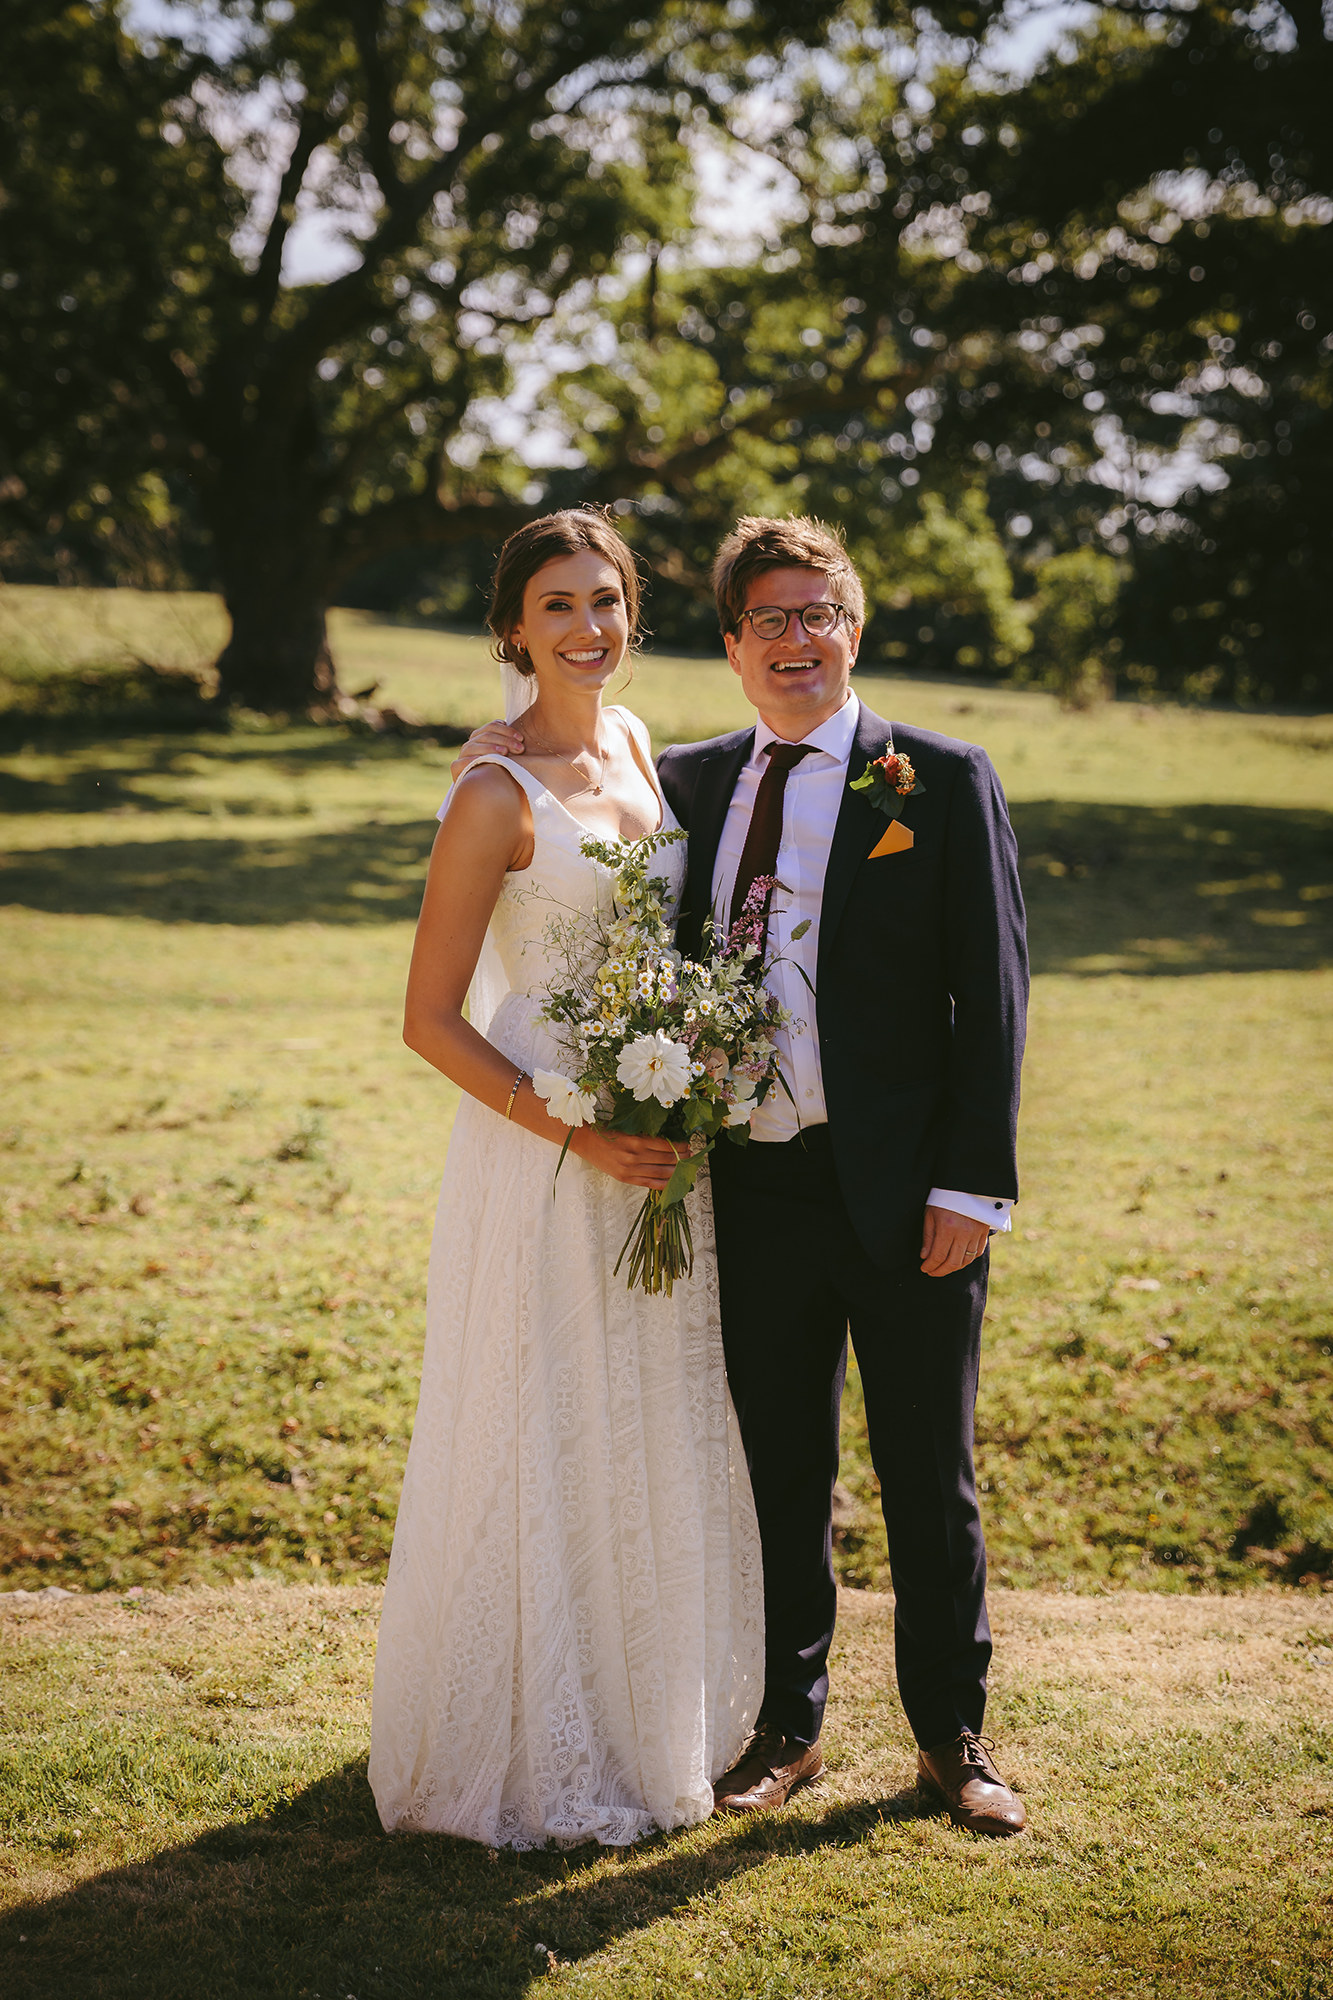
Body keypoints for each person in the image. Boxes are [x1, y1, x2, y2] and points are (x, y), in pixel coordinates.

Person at [457, 513, 1030, 1838]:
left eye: (815, 614)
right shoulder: (694, 785)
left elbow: (990, 1001)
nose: (793, 641)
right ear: (726, 645)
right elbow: (586, 838)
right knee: (775, 1464)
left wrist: (972, 1186)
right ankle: (785, 1725)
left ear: (854, 628)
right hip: (749, 1193)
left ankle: (953, 1734)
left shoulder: (937, 781)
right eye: (764, 620)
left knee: (924, 1470)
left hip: (904, 1196)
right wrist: (488, 751)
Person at [368, 509, 763, 1850]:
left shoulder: (640, 743)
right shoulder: (493, 791)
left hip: (655, 1135)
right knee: (541, 1418)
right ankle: (518, 1731)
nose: (588, 627)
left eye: (605, 600)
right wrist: (575, 1128)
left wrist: (687, 1067)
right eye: (557, 606)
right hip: (545, 1147)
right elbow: (428, 1019)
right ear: (512, 630)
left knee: (639, 1418)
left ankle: (633, 1706)